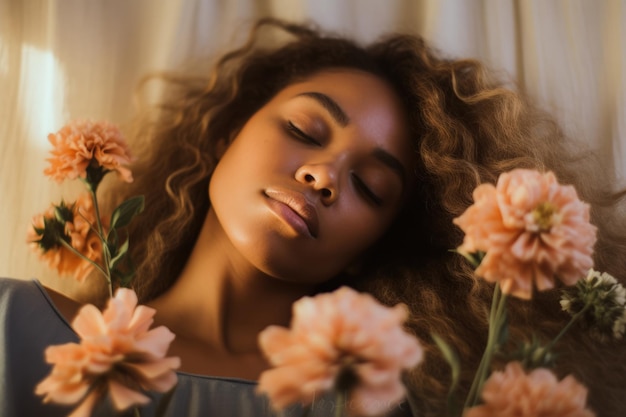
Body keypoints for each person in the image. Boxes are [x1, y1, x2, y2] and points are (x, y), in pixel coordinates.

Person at [2, 17, 625, 417]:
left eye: (371, 187)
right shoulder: (13, 327)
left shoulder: (369, 407)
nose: (324, 176)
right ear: (225, 134)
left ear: (369, 248)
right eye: (304, 129)